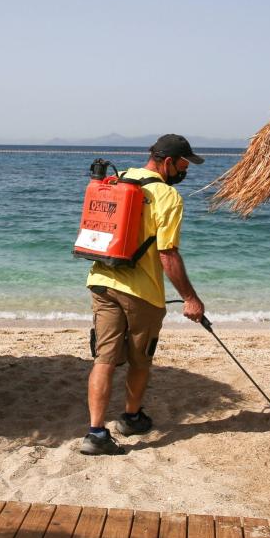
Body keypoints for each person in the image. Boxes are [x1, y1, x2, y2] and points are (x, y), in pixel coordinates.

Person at [80, 133, 206, 456]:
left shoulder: (118, 178)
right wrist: (190, 298)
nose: (185, 170)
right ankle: (131, 418)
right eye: (183, 164)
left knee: (104, 359)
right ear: (167, 162)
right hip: (142, 294)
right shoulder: (168, 198)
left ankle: (95, 434)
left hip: (102, 280)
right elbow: (168, 255)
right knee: (140, 361)